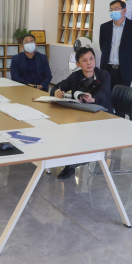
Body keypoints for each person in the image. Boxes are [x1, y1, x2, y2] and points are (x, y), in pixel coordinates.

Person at [50, 47, 113, 179]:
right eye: (84, 60)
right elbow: (57, 86)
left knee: (80, 135)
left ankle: (70, 166)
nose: (89, 63)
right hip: (81, 114)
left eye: (91, 59)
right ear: (78, 64)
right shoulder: (76, 76)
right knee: (63, 130)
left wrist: (93, 99)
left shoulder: (104, 75)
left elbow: (104, 93)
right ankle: (66, 160)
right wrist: (56, 92)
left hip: (102, 114)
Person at [99, 0, 132, 91]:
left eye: (116, 9)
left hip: (124, 69)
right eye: (111, 10)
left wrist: (127, 59)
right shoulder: (104, 27)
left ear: (124, 10)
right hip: (106, 68)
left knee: (121, 95)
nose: (113, 12)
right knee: (105, 94)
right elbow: (102, 46)